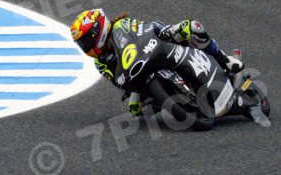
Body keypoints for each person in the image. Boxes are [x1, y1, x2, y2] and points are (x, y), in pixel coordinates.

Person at [70, 9, 243, 116]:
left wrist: (167, 32)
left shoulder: (121, 25)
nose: (86, 47)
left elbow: (146, 30)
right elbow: (117, 81)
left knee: (191, 27)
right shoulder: (99, 63)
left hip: (161, 41)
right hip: (137, 73)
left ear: (96, 32)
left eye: (86, 41)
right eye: (82, 44)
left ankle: (225, 59)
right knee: (136, 110)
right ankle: (174, 97)